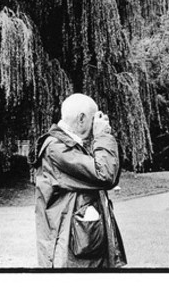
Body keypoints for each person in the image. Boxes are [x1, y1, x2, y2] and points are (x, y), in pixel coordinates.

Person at [28, 93, 126, 268]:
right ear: (81, 119)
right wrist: (103, 136)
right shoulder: (57, 149)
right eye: (93, 118)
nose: (97, 123)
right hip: (73, 256)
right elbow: (105, 175)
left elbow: (108, 173)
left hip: (83, 249)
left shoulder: (71, 145)